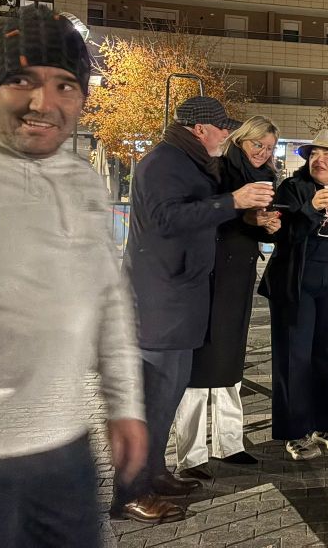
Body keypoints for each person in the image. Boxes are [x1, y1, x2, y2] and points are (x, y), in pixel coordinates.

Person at [0, 6, 145, 545]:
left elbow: (109, 299)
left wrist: (125, 406)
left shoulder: (82, 182)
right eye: (22, 79)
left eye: (65, 85)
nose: (44, 103)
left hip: (67, 451)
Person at [114, 95, 273, 522]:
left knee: (167, 396)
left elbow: (195, 216)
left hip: (180, 297)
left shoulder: (189, 162)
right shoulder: (164, 161)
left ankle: (154, 472)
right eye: (222, 127)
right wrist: (232, 202)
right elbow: (167, 219)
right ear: (199, 128)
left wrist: (249, 217)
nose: (227, 134)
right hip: (160, 301)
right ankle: (129, 494)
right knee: (152, 400)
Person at [173, 116, 282, 477]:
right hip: (209, 275)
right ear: (241, 140)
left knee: (231, 357)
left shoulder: (265, 177)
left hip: (238, 277)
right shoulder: (217, 169)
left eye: (267, 148)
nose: (262, 152)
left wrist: (269, 226)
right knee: (200, 363)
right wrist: (249, 220)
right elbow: (206, 215)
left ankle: (229, 442)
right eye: (257, 145)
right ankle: (190, 454)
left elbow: (253, 224)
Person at [258, 130, 328, 460]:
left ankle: (326, 425)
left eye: (327, 155)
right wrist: (309, 208)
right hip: (297, 286)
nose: (319, 160)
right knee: (294, 360)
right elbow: (283, 237)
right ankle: (294, 432)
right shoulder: (293, 189)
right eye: (313, 155)